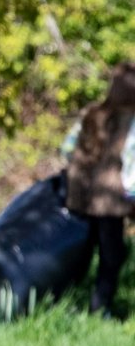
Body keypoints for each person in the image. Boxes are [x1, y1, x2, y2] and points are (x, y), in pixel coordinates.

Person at [62, 61, 135, 318]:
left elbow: (67, 150)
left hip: (80, 192)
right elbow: (131, 168)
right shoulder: (132, 122)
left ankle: (64, 298)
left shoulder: (91, 113)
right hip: (110, 201)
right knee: (111, 255)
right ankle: (100, 308)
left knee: (77, 248)